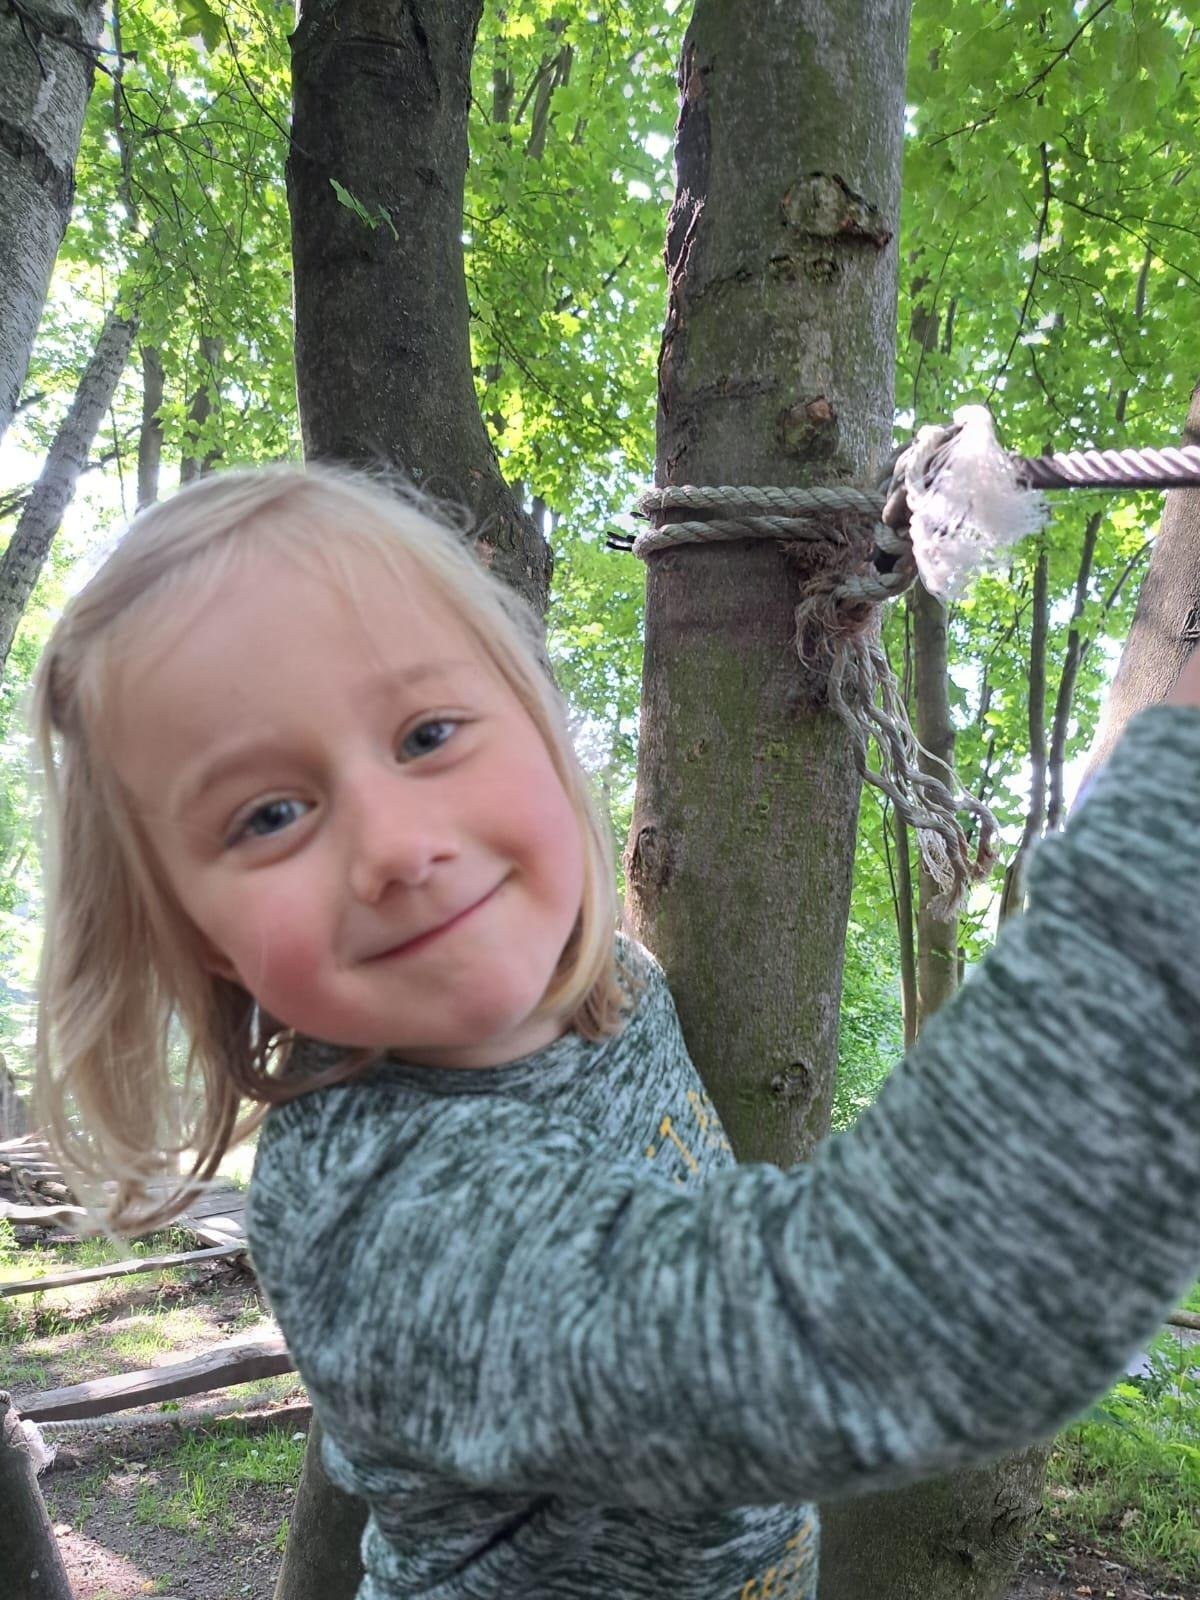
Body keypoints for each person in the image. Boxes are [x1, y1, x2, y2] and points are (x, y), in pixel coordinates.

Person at [33, 464, 1200, 1600]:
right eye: (271, 814)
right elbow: (887, 1317)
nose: (395, 846)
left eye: (429, 734)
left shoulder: (610, 985)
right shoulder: (387, 1215)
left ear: (543, 728)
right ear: (197, 936)